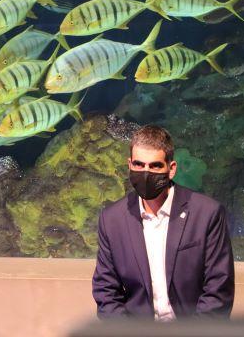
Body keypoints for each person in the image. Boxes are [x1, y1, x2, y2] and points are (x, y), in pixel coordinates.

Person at [92, 125, 234, 320]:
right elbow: (106, 292)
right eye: (139, 165)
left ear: (171, 169)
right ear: (129, 164)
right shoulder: (112, 219)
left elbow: (218, 290)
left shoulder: (207, 213)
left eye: (155, 166)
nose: (146, 173)